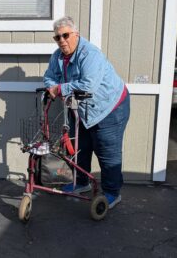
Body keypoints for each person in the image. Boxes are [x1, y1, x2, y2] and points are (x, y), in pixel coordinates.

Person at [43, 16, 130, 209]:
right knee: (80, 147)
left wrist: (58, 89)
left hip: (109, 107)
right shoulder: (57, 56)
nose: (62, 40)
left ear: (76, 34)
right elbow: (49, 78)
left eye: (66, 35)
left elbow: (88, 85)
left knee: (107, 152)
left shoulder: (90, 54)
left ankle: (112, 193)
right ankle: (82, 182)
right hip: (80, 109)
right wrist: (53, 86)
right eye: (57, 37)